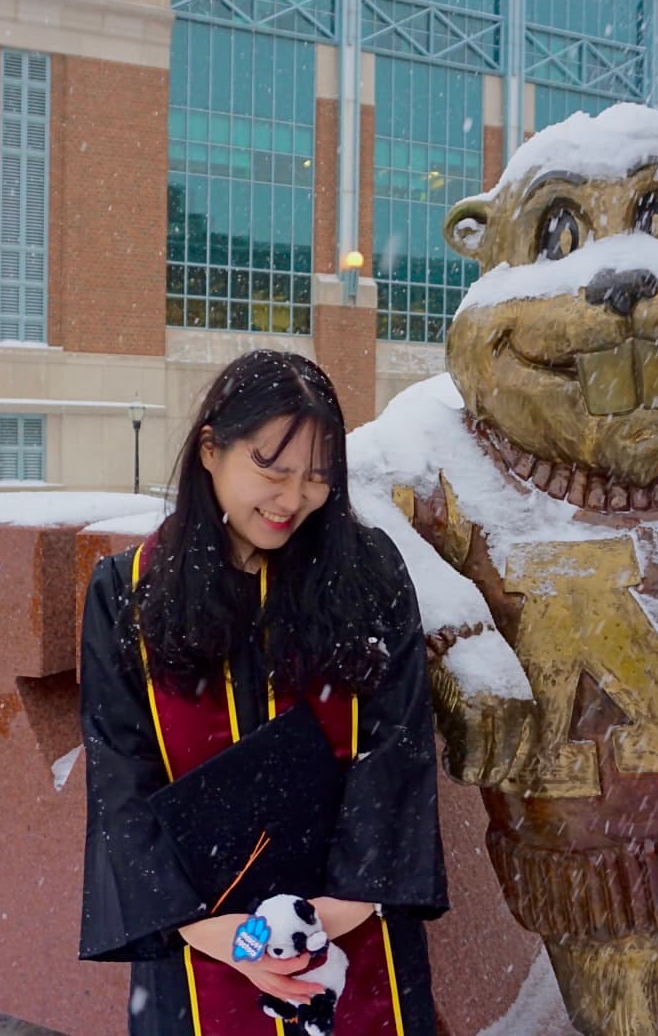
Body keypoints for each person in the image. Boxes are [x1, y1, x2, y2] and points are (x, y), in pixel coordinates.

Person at [78, 350, 448, 1035]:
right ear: (212, 450)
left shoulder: (368, 578)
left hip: (353, 929)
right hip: (201, 944)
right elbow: (118, 772)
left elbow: (395, 743)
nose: (291, 498)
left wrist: (342, 905)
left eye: (315, 477)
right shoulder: (128, 593)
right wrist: (214, 931)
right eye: (271, 469)